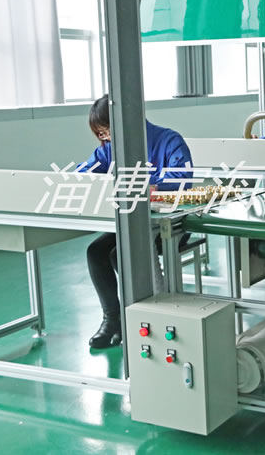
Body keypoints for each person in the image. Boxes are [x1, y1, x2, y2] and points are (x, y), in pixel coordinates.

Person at [77, 95, 193, 349]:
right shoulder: (109, 150)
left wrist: (148, 182)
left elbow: (183, 177)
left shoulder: (169, 140)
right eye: (101, 133)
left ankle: (148, 314)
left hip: (169, 222)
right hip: (132, 221)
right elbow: (84, 173)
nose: (105, 138)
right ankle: (113, 320)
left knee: (120, 252)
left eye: (107, 130)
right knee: (96, 251)